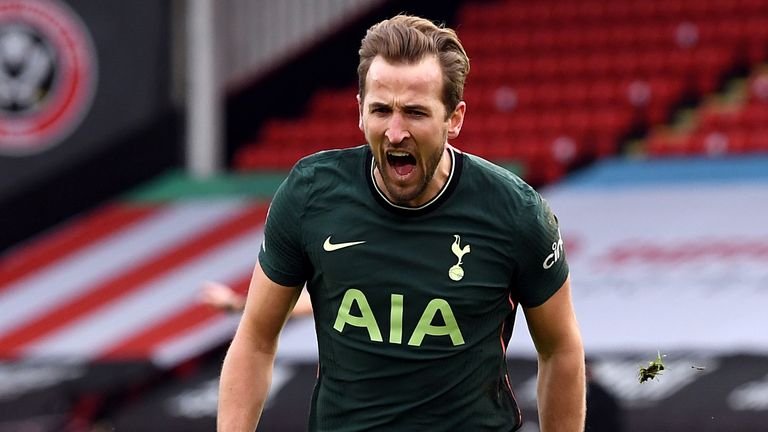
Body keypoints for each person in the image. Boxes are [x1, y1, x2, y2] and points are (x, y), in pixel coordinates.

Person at [218, 14, 585, 431]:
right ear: (359, 112)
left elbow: (560, 349)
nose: (395, 132)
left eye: (414, 112)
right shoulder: (309, 195)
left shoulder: (515, 213)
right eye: (381, 110)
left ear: (455, 118)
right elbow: (255, 340)